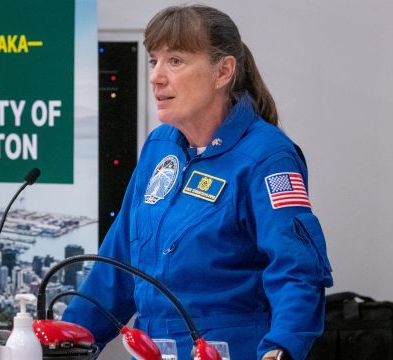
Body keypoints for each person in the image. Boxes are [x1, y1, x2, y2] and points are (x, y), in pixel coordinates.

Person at [63, 5, 333, 360]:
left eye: (175, 61)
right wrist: (69, 339)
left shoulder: (267, 157)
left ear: (223, 72)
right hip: (153, 350)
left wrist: (282, 347)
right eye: (154, 61)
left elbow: (296, 269)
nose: (157, 76)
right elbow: (119, 262)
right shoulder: (159, 147)